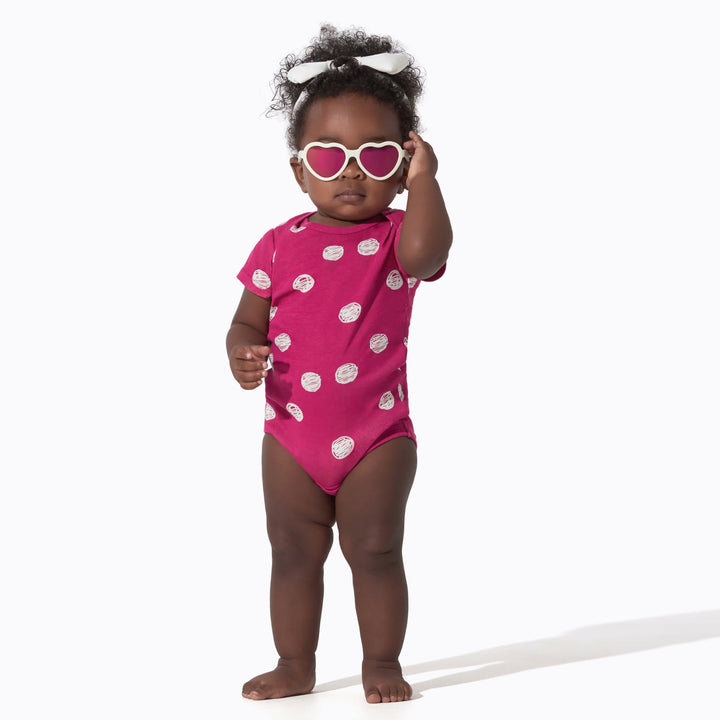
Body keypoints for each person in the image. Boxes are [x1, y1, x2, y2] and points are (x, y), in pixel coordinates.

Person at [226, 25, 452, 704]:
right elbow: (246, 321)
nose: (351, 171)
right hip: (291, 432)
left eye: (375, 154)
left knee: (375, 550)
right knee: (292, 552)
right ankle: (294, 663)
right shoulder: (277, 245)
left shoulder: (398, 237)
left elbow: (429, 256)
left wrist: (427, 180)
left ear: (402, 163)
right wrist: (241, 353)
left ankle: (382, 662)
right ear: (299, 170)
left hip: (378, 433)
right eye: (328, 156)